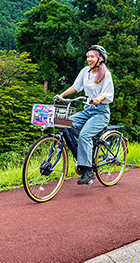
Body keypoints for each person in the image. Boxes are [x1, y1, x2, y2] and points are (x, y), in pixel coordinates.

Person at [54, 45, 114, 185]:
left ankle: (88, 171)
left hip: (101, 112)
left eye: (92, 56)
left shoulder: (106, 74)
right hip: (88, 110)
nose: (89, 59)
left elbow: (108, 93)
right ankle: (85, 153)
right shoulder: (85, 71)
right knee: (67, 123)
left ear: (100, 59)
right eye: (88, 56)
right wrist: (61, 95)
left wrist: (99, 98)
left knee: (85, 135)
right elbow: (76, 86)